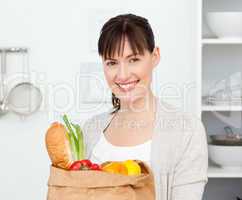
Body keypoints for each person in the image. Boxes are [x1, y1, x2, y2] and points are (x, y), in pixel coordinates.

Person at [82, 13, 208, 200]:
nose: (122, 75)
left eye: (133, 60)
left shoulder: (187, 131)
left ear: (154, 56)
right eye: (112, 63)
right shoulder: (91, 130)